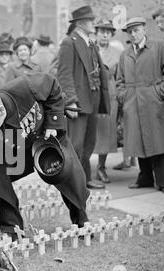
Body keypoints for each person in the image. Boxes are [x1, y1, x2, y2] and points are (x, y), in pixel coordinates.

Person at [0, 74, 91, 241]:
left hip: (45, 135)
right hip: (14, 150)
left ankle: (81, 221)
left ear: (0, 111)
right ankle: (12, 231)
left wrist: (54, 122)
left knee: (67, 174)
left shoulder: (25, 87)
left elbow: (52, 86)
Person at [57, 5, 111, 190]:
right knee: (76, 144)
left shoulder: (90, 42)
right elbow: (64, 74)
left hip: (93, 99)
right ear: (80, 23)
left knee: (89, 143)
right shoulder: (69, 42)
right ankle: (73, 181)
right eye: (90, 20)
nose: (93, 24)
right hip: (78, 102)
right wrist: (70, 100)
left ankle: (85, 178)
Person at [116, 17, 164, 194]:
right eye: (130, 32)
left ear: (144, 29)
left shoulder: (160, 46)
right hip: (133, 103)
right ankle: (145, 177)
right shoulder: (125, 54)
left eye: (136, 30)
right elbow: (120, 81)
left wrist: (160, 92)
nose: (133, 34)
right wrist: (124, 97)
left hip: (154, 102)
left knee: (159, 141)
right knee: (138, 141)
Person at [92, 19, 124, 184]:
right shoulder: (88, 49)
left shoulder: (118, 52)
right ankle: (82, 166)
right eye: (101, 31)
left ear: (111, 34)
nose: (104, 34)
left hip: (109, 94)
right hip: (90, 93)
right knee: (86, 131)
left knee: (105, 133)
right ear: (96, 32)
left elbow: (122, 76)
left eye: (108, 31)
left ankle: (101, 167)